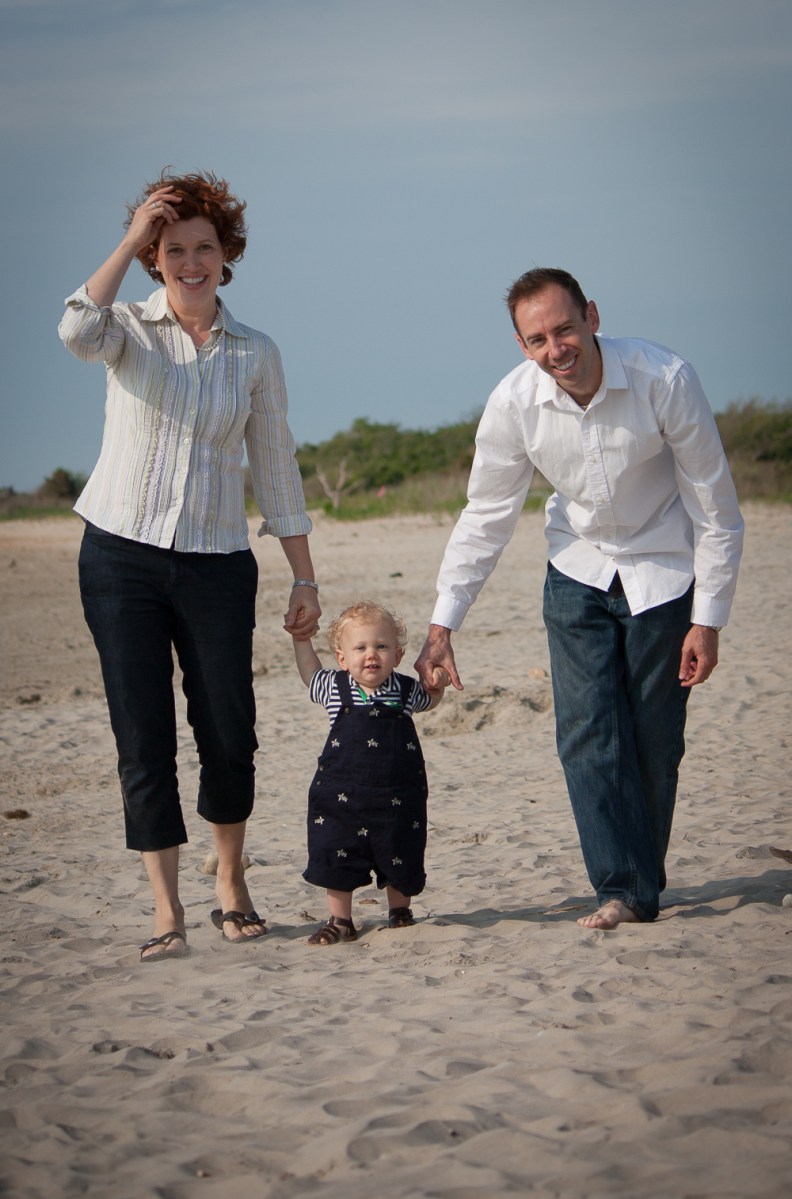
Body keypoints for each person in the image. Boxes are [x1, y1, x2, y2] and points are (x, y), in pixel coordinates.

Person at [415, 267, 744, 930]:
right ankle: (621, 888)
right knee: (587, 733)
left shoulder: (664, 378)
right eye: (537, 339)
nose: (555, 348)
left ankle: (641, 880)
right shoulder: (514, 402)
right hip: (577, 568)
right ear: (522, 346)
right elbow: (486, 514)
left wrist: (708, 620)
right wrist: (443, 624)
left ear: (592, 316)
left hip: (665, 570)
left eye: (564, 329)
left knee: (655, 738)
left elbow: (715, 508)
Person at [59, 170, 321, 961]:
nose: (190, 262)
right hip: (119, 556)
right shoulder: (125, 330)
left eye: (204, 247)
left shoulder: (255, 353)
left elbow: (276, 467)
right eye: (173, 249)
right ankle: (165, 906)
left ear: (226, 255)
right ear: (154, 257)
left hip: (217, 562)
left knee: (229, 730)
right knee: (143, 734)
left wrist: (304, 575)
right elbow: (73, 330)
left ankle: (230, 881)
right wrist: (130, 237)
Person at [292, 600, 449, 944]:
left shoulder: (406, 690)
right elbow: (309, 672)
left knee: (400, 848)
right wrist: (301, 639)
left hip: (397, 794)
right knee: (336, 852)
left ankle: (400, 911)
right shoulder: (334, 687)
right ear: (342, 658)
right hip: (341, 797)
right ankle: (340, 919)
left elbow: (430, 699)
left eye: (381, 646)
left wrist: (438, 684)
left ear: (398, 654)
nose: (371, 655)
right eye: (360, 648)